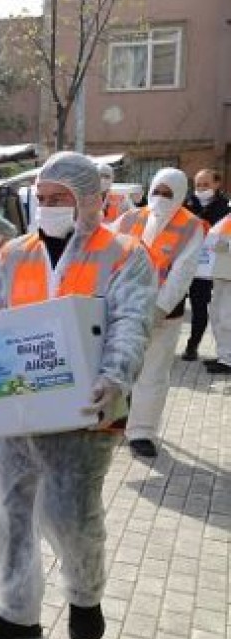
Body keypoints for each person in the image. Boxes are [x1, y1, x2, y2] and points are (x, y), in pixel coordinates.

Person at [0, 151, 157, 639]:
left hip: (84, 410)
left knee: (72, 515)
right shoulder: (15, 251)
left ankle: (85, 597)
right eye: (42, 199)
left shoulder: (122, 253)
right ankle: (16, 612)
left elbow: (132, 321)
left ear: (87, 200)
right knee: (11, 511)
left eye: (59, 198)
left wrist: (116, 377)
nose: (49, 207)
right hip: (18, 407)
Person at [111, 168, 207, 458]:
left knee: (152, 374)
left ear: (179, 194)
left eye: (168, 194)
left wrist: (157, 309)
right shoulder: (129, 219)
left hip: (162, 315)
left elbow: (182, 273)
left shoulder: (191, 226)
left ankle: (141, 431)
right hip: (123, 309)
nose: (161, 198)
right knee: (117, 369)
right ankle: (116, 421)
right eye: (157, 191)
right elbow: (106, 255)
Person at [182, 168, 228, 361]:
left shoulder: (225, 207)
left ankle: (192, 346)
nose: (201, 188)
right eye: (198, 185)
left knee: (200, 308)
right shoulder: (186, 204)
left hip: (206, 267)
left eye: (206, 185)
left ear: (217, 184)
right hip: (182, 263)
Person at [204, 213, 231, 375]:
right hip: (221, 272)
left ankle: (228, 359)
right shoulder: (228, 217)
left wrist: (227, 246)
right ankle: (222, 354)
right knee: (216, 316)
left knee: (227, 318)